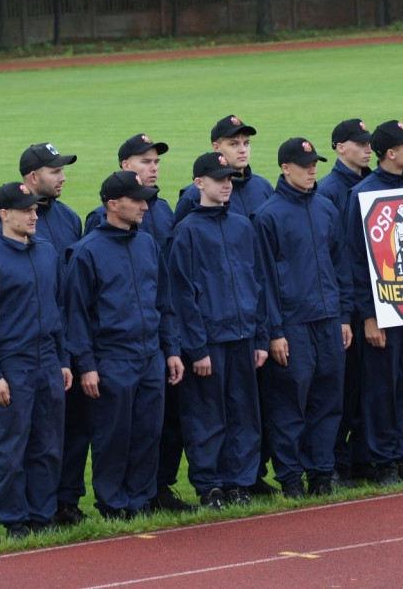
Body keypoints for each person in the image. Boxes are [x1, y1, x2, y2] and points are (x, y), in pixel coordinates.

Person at [64, 171, 184, 519]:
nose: (145, 205)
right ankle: (113, 503)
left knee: (149, 432)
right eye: (137, 200)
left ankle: (141, 498)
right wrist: (86, 365)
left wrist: (171, 349)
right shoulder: (86, 252)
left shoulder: (147, 243)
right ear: (113, 205)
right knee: (113, 435)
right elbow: (77, 316)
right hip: (111, 358)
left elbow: (165, 302)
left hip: (150, 355)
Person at [0, 142, 89, 526]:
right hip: (20, 351)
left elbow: (68, 291)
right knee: (18, 440)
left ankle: (60, 504)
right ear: (33, 177)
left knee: (64, 433)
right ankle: (20, 514)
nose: (62, 177)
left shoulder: (69, 219)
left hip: (61, 344)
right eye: (55, 170)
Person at [0, 182, 73, 537]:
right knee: (10, 450)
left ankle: (41, 517)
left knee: (48, 445)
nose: (34, 215)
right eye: (26, 210)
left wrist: (63, 360)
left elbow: (58, 311)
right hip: (12, 366)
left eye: (35, 209)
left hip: (47, 363)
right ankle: (14, 520)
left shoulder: (46, 253)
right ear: (4, 215)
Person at [167, 152, 269, 509]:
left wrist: (260, 337)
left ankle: (240, 482)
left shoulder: (242, 225)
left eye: (229, 178)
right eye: (218, 178)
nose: (227, 184)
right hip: (209, 342)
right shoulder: (186, 232)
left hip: (243, 338)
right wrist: (196, 349)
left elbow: (257, 284)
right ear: (199, 183)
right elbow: (182, 295)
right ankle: (210, 486)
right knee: (206, 416)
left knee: (244, 415)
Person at [253, 137, 353, 497]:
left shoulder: (326, 208)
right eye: (305, 164)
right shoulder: (268, 216)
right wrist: (274, 332)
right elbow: (262, 281)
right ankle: (291, 477)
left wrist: (343, 316)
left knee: (328, 402)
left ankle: (322, 474)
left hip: (328, 320)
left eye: (315, 163)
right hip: (292, 324)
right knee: (290, 404)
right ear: (285, 168)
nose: (313, 169)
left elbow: (340, 265)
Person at [344, 119, 403, 485]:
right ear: (391, 154)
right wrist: (368, 316)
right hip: (383, 311)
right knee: (382, 386)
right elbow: (355, 260)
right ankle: (383, 461)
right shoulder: (362, 193)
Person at [316, 118, 373, 486]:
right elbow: (337, 257)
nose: (367, 148)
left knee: (370, 387)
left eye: (369, 142)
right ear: (340, 147)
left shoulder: (374, 184)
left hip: (376, 301)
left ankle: (364, 458)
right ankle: (337, 461)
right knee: (343, 388)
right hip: (347, 306)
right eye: (359, 142)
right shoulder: (330, 191)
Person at [174, 115, 275, 222]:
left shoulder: (263, 186)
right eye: (234, 144)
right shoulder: (195, 194)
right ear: (216, 147)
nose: (243, 150)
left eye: (246, 143)